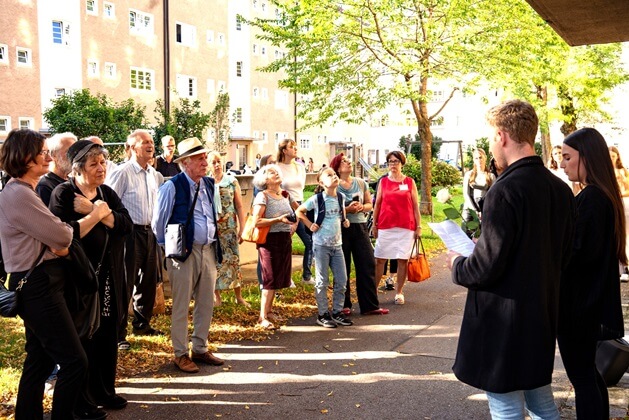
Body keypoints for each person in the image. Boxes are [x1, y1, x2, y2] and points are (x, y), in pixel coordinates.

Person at [447, 99, 576, 418]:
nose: (491, 146)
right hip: (541, 313)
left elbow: (484, 268)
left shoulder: (504, 190)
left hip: (503, 319)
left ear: (502, 136)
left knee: (505, 405)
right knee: (541, 401)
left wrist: (457, 263)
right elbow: (563, 254)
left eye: (491, 137)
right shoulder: (559, 189)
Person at [0, 129, 83, 419]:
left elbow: (56, 236)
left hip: (38, 283)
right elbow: (62, 236)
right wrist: (60, 241)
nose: (49, 156)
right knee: (74, 361)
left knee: (39, 359)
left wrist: (58, 240)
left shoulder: (23, 191)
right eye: (43, 151)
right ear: (25, 157)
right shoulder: (18, 194)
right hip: (38, 286)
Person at [49, 140, 133, 414]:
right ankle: (81, 401)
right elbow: (65, 235)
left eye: (103, 162)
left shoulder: (106, 192)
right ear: (77, 169)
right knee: (82, 337)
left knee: (107, 334)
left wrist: (96, 212)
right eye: (93, 164)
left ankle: (104, 391)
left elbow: (126, 225)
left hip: (107, 277)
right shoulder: (64, 194)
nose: (101, 168)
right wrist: (99, 213)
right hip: (77, 280)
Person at [558, 128, 626, 418]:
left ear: (586, 157)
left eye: (567, 157)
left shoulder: (593, 199)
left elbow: (576, 254)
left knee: (583, 378)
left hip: (580, 306)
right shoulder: (600, 195)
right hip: (589, 303)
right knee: (589, 375)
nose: (562, 163)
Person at [152, 137, 224, 373]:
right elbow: (158, 224)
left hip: (208, 250)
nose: (205, 162)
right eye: (200, 158)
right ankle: (181, 353)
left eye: (205, 157)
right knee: (181, 306)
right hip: (184, 253)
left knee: (206, 303)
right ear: (185, 162)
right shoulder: (171, 186)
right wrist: (172, 252)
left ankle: (200, 348)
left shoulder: (209, 184)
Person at [107, 129, 163, 350]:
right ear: (131, 148)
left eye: (151, 142)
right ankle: (119, 334)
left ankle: (142, 323)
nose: (150, 145)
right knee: (124, 283)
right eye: (144, 142)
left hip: (150, 232)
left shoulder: (153, 174)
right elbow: (109, 204)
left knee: (148, 281)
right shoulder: (122, 172)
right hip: (128, 234)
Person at [329, 153, 388, 315]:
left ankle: (369, 305)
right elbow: (330, 207)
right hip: (341, 228)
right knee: (342, 267)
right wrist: (347, 209)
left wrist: (362, 207)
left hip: (360, 226)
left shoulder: (361, 183)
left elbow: (370, 204)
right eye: (344, 162)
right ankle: (343, 305)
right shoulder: (334, 185)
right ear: (337, 167)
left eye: (349, 161)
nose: (349, 163)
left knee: (367, 263)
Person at [296, 167, 352, 328]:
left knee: (342, 280)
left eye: (335, 174)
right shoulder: (317, 199)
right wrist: (309, 224)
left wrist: (345, 221)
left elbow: (340, 214)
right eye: (329, 175)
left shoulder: (340, 197)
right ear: (321, 182)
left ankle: (337, 312)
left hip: (337, 245)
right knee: (322, 280)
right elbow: (299, 211)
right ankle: (322, 314)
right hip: (321, 245)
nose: (334, 176)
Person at [251, 164, 297, 329]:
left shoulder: (285, 194)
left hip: (284, 239)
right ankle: (262, 317)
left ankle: (269, 311)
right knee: (269, 279)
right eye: (271, 172)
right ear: (264, 179)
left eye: (277, 171)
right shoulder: (262, 196)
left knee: (278, 277)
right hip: (269, 241)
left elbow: (299, 211)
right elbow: (257, 221)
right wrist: (278, 220)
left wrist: (295, 225)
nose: (276, 173)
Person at [372, 150, 421, 305]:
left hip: (406, 226)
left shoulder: (409, 182)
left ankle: (399, 292)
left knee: (402, 260)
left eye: (396, 161)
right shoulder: (383, 182)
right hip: (386, 225)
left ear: (402, 163)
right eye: (390, 162)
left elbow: (415, 206)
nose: (393, 164)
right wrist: (374, 224)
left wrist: (418, 226)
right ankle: (372, 292)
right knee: (380, 259)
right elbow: (377, 204)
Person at [208, 151, 248, 307]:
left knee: (233, 261)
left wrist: (242, 227)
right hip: (213, 229)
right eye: (213, 162)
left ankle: (238, 296)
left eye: (219, 161)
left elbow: (239, 205)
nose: (217, 165)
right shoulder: (206, 182)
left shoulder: (231, 181)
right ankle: (217, 297)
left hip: (229, 228)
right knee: (214, 262)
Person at [277, 139, 314, 285]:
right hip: (285, 206)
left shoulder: (300, 167)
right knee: (286, 244)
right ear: (284, 151)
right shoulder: (277, 167)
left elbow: (301, 189)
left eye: (295, 146)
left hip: (300, 206)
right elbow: (280, 190)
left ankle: (307, 276)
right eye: (291, 147)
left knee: (310, 241)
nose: (295, 149)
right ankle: (286, 277)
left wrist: (300, 210)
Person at [254, 154, 278, 287]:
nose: (274, 164)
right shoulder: (260, 188)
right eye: (271, 163)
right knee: (263, 257)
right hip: (265, 227)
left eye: (275, 162)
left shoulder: (279, 187)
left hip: (276, 229)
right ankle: (263, 283)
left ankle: (271, 284)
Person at [36, 132, 77, 205]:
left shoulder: (73, 181)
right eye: (69, 151)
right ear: (54, 155)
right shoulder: (45, 186)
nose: (75, 156)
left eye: (76, 152)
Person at [461, 148, 495, 237]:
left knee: (482, 237)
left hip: (485, 209)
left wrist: (483, 211)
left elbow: (492, 196)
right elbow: (466, 194)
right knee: (467, 236)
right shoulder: (469, 175)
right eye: (476, 158)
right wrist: (475, 210)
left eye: (480, 157)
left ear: (485, 158)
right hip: (469, 209)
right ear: (473, 160)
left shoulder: (491, 176)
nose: (479, 160)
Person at [609, 145, 629, 281]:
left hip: (624, 203)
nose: (611, 159)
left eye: (613, 156)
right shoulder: (606, 172)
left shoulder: (622, 171)